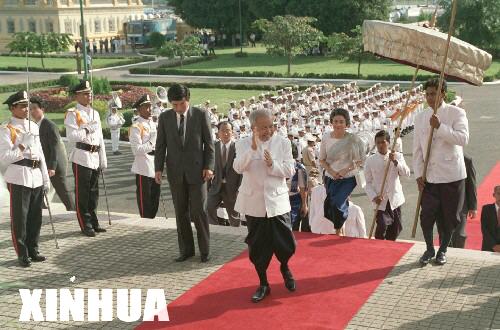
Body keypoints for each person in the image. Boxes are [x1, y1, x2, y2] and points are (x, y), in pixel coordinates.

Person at [233, 108, 297, 303]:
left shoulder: (283, 142)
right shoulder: (242, 143)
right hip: (254, 203)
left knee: (286, 243)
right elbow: (237, 167)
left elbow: (290, 170)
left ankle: (284, 266)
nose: (267, 131)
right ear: (253, 128)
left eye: (270, 126)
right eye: (262, 128)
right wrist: (252, 150)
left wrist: (272, 164)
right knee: (258, 248)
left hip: (277, 202)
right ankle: (263, 284)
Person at [154, 84, 215, 263]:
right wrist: (158, 168)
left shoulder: (200, 114)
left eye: (181, 104)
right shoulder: (165, 117)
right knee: (180, 212)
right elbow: (160, 145)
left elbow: (209, 144)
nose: (178, 108)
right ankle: (186, 250)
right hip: (175, 172)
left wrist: (209, 166)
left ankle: (205, 251)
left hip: (198, 172)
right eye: (174, 105)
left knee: (198, 211)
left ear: (188, 99)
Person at [413, 78, 468, 265]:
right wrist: (419, 174)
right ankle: (429, 248)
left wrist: (440, 127)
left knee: (449, 218)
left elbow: (463, 138)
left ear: (443, 93)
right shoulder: (420, 117)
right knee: (427, 216)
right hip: (429, 177)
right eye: (427, 94)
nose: (430, 97)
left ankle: (443, 250)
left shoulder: (456, 113)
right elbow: (417, 151)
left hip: (452, 176)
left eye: (434, 93)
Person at [0, 91, 50, 267]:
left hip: (35, 175)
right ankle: (22, 253)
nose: (26, 108)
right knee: (20, 218)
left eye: (27, 105)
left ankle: (33, 249)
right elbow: (4, 157)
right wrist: (22, 144)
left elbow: (41, 154)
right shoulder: (6, 129)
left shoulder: (33, 126)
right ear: (12, 108)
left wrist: (45, 178)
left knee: (35, 217)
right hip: (19, 176)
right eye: (22, 106)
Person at [64, 80, 108, 237]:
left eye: (90, 93)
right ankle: (85, 224)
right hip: (81, 157)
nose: (89, 95)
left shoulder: (95, 113)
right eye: (85, 93)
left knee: (93, 193)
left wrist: (103, 158)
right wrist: (88, 128)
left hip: (95, 156)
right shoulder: (73, 114)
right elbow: (72, 137)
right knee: (83, 194)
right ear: (77, 96)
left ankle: (94, 221)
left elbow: (100, 138)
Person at [319, 108, 366, 234]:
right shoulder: (326, 138)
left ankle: (338, 230)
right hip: (331, 177)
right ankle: (340, 227)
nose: (338, 125)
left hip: (348, 178)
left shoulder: (353, 139)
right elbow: (322, 160)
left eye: (341, 122)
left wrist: (346, 170)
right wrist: (332, 171)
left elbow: (360, 160)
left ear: (347, 124)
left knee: (337, 203)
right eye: (335, 121)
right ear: (331, 122)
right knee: (330, 205)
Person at [29, 96, 75, 211]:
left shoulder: (49, 125)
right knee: (37, 185)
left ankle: (72, 209)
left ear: (42, 110)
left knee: (61, 188)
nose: (32, 111)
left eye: (35, 108)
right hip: (41, 163)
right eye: (30, 109)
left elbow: (54, 147)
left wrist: (52, 166)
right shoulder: (33, 126)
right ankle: (41, 206)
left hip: (54, 164)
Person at [364, 130, 410, 241]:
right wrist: (374, 197)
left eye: (383, 142)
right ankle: (379, 245)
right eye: (378, 142)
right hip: (380, 199)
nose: (380, 145)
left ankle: (389, 245)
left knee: (396, 228)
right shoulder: (370, 160)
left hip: (395, 198)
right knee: (382, 225)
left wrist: (395, 162)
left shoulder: (397, 156)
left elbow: (406, 173)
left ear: (389, 142)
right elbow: (367, 183)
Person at [129, 94, 160, 219]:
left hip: (155, 164)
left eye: (150, 106)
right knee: (145, 198)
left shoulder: (153, 124)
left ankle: (151, 219)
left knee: (155, 196)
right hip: (143, 166)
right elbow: (137, 150)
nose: (150, 109)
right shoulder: (136, 127)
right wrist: (152, 142)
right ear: (139, 109)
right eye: (146, 107)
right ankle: (145, 219)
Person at [207, 121, 242, 226]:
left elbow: (241, 170)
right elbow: (208, 166)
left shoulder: (238, 147)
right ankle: (214, 230)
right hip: (216, 186)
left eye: (228, 131)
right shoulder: (213, 147)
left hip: (232, 187)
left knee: (234, 215)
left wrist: (239, 188)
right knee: (209, 207)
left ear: (232, 132)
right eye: (223, 131)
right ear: (218, 133)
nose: (225, 133)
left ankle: (236, 237)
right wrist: (207, 186)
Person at [449, 155, 477, 248]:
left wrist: (473, 207)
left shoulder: (467, 160)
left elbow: (471, 184)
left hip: (462, 204)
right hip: (445, 203)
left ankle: (458, 253)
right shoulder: (439, 158)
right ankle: (444, 253)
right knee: (445, 232)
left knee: (460, 234)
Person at [288, 146, 309, 232]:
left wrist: (304, 204)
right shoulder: (277, 164)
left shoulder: (299, 167)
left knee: (293, 224)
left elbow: (303, 187)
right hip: (280, 198)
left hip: (294, 199)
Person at [481, 186, 500, 252]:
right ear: (494, 195)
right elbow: (484, 229)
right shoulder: (486, 209)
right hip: (488, 247)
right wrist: (494, 246)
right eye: (499, 193)